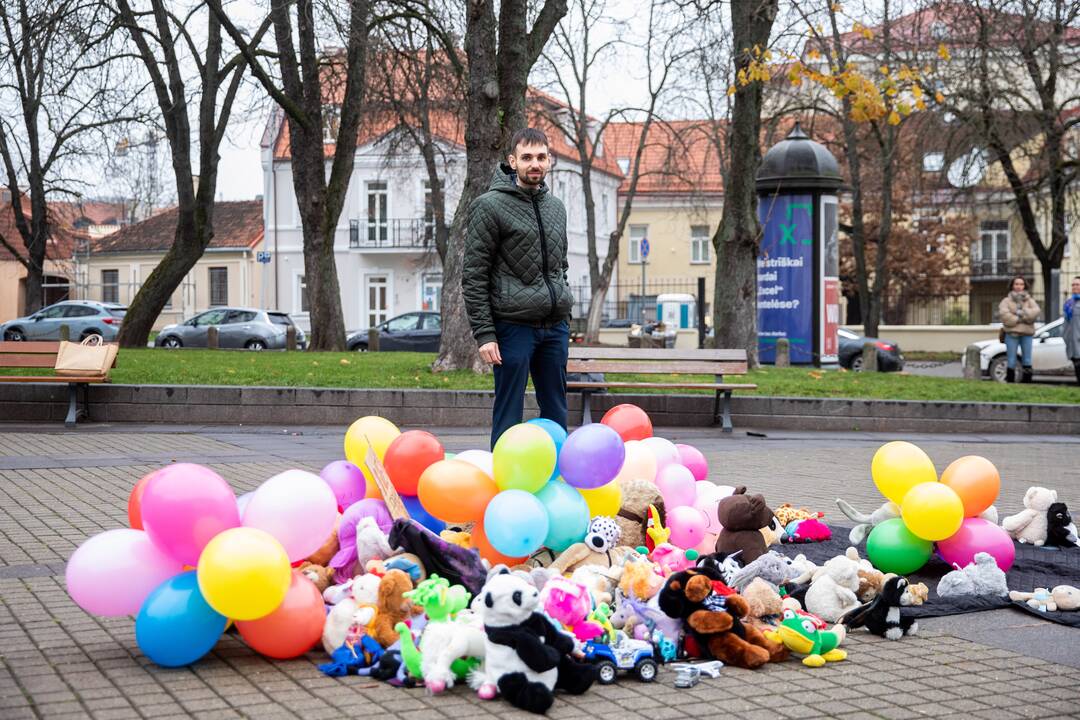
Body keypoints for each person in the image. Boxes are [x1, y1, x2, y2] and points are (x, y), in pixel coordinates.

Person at [463, 127, 574, 449]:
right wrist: (485, 334)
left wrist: (562, 300)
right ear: (512, 162)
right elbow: (474, 274)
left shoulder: (556, 208)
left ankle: (558, 479)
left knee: (556, 410)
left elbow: (560, 264)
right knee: (509, 411)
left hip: (554, 327)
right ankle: (502, 481)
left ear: (549, 161)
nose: (534, 164)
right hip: (512, 326)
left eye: (540, 157)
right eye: (526, 158)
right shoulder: (489, 206)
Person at [998, 276, 1041, 383]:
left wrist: (1022, 313)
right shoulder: (1006, 301)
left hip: (1027, 334)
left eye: (1021, 284)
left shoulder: (1030, 300)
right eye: (1016, 284)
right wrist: (1019, 318)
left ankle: (1027, 383)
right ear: (1012, 286)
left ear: (1024, 286)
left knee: (1027, 359)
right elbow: (1004, 315)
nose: (1018, 286)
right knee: (1011, 360)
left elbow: (1035, 312)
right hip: (1011, 334)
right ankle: (1011, 382)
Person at [1064, 276, 1080, 386]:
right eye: (1073, 285)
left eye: (1077, 284)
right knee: (1077, 366)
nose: (1074, 287)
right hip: (1072, 342)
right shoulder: (1069, 303)